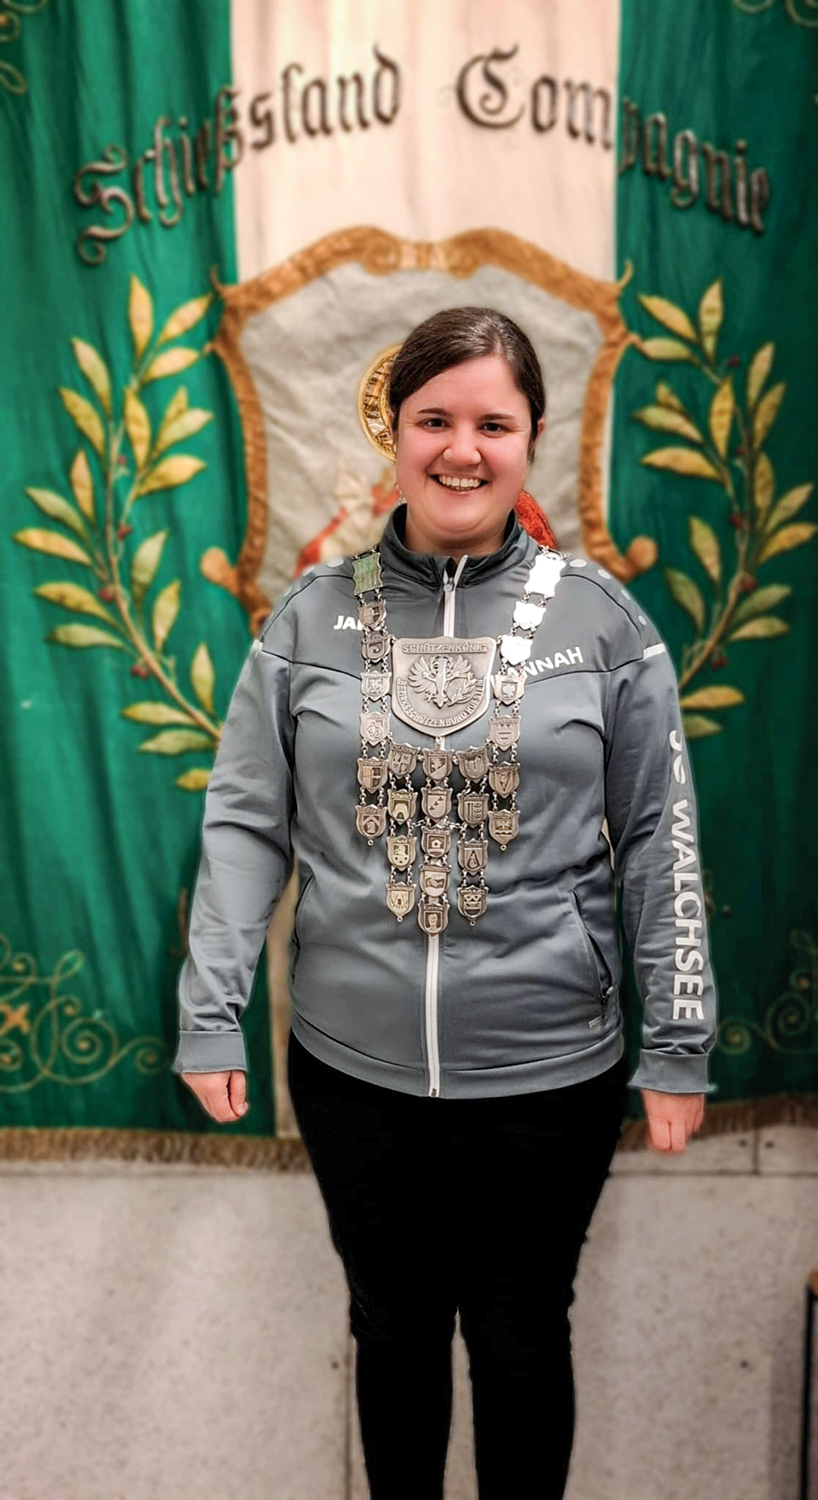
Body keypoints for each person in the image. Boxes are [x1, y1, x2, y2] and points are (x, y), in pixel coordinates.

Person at [173, 306, 717, 1499]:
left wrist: (677, 1043)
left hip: (548, 1075)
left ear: (530, 439)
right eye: (433, 420)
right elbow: (245, 823)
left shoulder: (606, 627)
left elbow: (655, 842)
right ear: (395, 433)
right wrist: (211, 1013)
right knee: (392, 1332)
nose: (461, 449)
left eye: (491, 424)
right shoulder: (307, 618)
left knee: (521, 1341)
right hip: (351, 1072)